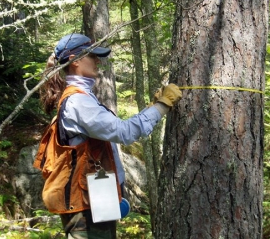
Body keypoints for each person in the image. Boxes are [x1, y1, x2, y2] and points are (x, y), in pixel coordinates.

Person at [38, 33, 182, 239]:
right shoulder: (78, 102)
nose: (97, 61)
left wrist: (152, 108)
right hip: (85, 210)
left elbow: (111, 130)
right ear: (75, 61)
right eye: (92, 56)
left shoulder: (82, 98)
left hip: (91, 203)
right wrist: (162, 106)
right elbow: (124, 132)